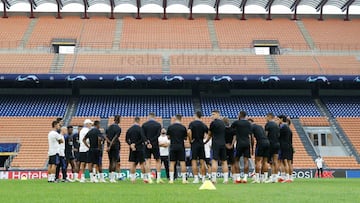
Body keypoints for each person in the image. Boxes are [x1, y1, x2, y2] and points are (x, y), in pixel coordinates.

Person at [205, 110, 228, 184]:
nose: (212, 116)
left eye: (213, 114)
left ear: (218, 114)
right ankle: (225, 179)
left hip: (215, 144)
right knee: (224, 161)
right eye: (211, 114)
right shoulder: (223, 123)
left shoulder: (213, 123)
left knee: (214, 161)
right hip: (223, 143)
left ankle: (214, 179)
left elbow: (209, 134)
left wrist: (205, 142)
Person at [231, 111, 252, 183]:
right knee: (246, 160)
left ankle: (238, 177)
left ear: (240, 115)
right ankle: (245, 178)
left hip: (239, 143)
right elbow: (251, 135)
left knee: (236, 160)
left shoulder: (236, 122)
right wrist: (251, 146)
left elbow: (231, 130)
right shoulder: (248, 123)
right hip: (247, 143)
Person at [188, 111, 208, 183]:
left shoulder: (192, 123)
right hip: (201, 143)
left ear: (195, 115)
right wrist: (206, 141)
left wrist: (190, 140)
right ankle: (203, 178)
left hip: (195, 143)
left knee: (194, 161)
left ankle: (196, 178)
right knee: (202, 161)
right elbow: (209, 133)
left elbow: (189, 132)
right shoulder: (203, 124)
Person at [167, 114, 188, 184]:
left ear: (175, 118)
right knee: (182, 162)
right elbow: (185, 138)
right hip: (181, 147)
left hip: (173, 146)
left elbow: (168, 137)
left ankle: (171, 179)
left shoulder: (170, 127)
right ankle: (184, 179)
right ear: (181, 119)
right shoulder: (183, 127)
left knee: (172, 163)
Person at [142, 112, 162, 183]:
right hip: (155, 144)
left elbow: (143, 135)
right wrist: (152, 142)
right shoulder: (158, 125)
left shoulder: (144, 125)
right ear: (154, 117)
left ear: (149, 117)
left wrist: (148, 142)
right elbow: (158, 135)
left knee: (147, 161)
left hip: (147, 145)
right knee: (158, 160)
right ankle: (158, 178)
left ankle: (149, 178)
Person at [248, 119, 270, 183]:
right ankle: (264, 178)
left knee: (257, 161)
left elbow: (252, 139)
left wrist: (252, 148)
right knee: (265, 161)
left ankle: (257, 179)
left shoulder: (251, 127)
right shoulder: (260, 126)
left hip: (260, 143)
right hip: (267, 142)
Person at [126, 117, 147, 183]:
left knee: (133, 163)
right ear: (139, 121)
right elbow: (143, 138)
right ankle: (144, 179)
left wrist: (131, 144)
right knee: (142, 163)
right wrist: (136, 144)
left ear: (133, 121)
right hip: (140, 148)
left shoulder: (129, 129)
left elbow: (126, 139)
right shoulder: (140, 129)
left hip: (132, 149)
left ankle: (132, 179)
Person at [265, 112, 280, 183]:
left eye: (266, 117)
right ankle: (275, 177)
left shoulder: (268, 124)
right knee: (276, 161)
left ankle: (271, 176)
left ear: (269, 117)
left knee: (271, 161)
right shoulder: (277, 125)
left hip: (270, 144)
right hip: (277, 144)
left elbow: (265, 135)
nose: (266, 118)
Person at [106, 115, 121, 183]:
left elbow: (105, 136)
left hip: (109, 146)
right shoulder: (118, 128)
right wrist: (111, 145)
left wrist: (108, 144)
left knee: (110, 161)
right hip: (115, 146)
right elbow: (115, 138)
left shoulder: (109, 127)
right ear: (118, 120)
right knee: (114, 161)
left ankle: (110, 177)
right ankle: (112, 178)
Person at [278, 115, 293, 183]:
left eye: (278, 119)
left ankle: (286, 177)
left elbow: (278, 135)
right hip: (289, 146)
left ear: (281, 119)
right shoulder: (288, 128)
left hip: (284, 146)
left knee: (285, 162)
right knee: (289, 162)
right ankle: (290, 177)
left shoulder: (282, 127)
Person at [223, 117, 235, 182]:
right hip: (231, 147)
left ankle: (226, 179)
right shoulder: (232, 129)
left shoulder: (222, 130)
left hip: (224, 147)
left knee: (224, 162)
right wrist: (232, 145)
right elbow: (234, 137)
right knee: (232, 163)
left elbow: (222, 137)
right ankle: (234, 177)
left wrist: (226, 144)